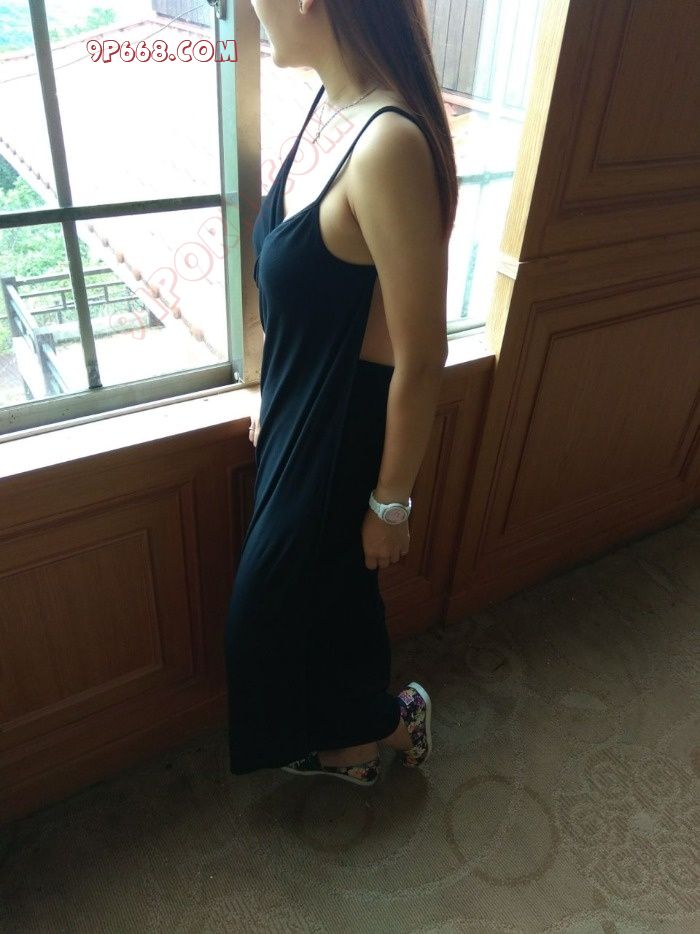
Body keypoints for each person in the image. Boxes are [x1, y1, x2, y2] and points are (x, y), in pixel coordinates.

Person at [225, 0, 458, 786]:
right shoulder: (327, 108)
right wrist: (271, 397)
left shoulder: (387, 144)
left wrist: (390, 503)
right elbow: (305, 295)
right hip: (297, 413)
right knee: (329, 602)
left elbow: (422, 355)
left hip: (342, 431)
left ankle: (393, 720)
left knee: (265, 616)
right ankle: (351, 745)